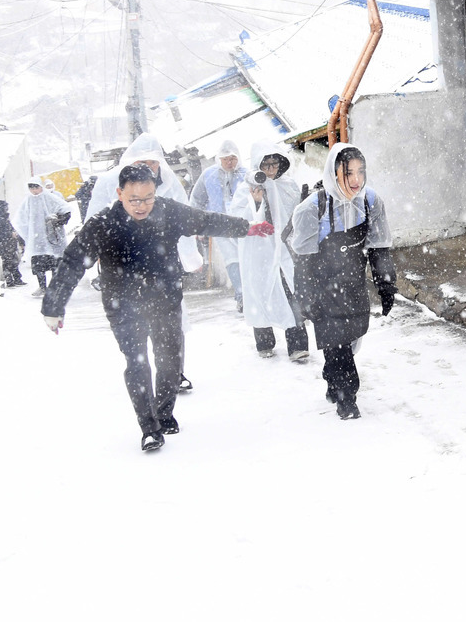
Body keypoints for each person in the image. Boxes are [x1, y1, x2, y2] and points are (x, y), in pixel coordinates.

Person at [42, 164, 271, 452]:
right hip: (122, 305)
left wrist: (246, 228)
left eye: (148, 198)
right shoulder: (103, 223)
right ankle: (149, 428)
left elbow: (204, 220)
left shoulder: (167, 211)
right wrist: (54, 305)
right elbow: (73, 261)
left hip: (164, 299)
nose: (142, 206)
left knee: (170, 359)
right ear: (119, 193)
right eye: (134, 199)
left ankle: (164, 413)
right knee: (137, 363)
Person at [88, 133, 206, 389]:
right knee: (134, 322)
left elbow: (185, 220)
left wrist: (190, 257)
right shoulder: (110, 182)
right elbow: (93, 222)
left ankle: (175, 375)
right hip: (125, 265)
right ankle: (141, 376)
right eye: (142, 162)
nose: (148, 167)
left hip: (163, 262)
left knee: (173, 321)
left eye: (153, 163)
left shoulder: (170, 183)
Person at [290, 143, 396, 420]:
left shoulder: (370, 201)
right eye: (348, 173)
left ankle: (333, 379)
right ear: (334, 172)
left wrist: (386, 285)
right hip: (323, 287)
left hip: (353, 286)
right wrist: (306, 298)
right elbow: (303, 261)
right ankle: (347, 399)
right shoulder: (312, 209)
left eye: (360, 172)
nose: (356, 180)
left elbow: (379, 247)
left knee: (349, 341)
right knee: (336, 342)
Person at [231, 142, 309, 361]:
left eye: (275, 164)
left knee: (291, 294)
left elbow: (297, 214)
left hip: (284, 251)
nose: (271, 169)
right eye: (266, 164)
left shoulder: (288, 185)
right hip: (258, 253)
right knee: (260, 295)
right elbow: (237, 218)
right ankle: (264, 342)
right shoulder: (245, 187)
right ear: (258, 165)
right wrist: (255, 203)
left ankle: (298, 345)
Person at [191, 140, 249, 312]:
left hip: (245, 226)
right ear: (219, 159)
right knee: (232, 261)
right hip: (220, 227)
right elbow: (197, 200)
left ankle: (252, 295)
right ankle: (241, 297)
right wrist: (197, 225)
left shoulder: (247, 175)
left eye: (232, 158)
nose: (229, 162)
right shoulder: (208, 175)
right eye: (225, 159)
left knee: (247, 259)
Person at [13, 177, 74, 297]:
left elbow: (65, 209)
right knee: (39, 265)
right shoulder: (28, 200)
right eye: (31, 188)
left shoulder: (49, 197)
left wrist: (60, 220)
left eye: (36, 187)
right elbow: (21, 218)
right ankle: (42, 287)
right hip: (37, 240)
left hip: (51, 237)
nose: (34, 190)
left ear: (41, 186)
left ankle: (55, 288)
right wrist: (24, 233)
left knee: (54, 264)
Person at [0, 199, 26, 288]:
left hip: (9, 244)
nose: (7, 208)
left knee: (13, 262)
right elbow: (1, 233)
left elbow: (11, 229)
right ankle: (10, 280)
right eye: (5, 207)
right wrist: (11, 235)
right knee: (8, 262)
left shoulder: (3, 218)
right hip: (5, 245)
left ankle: (16, 279)